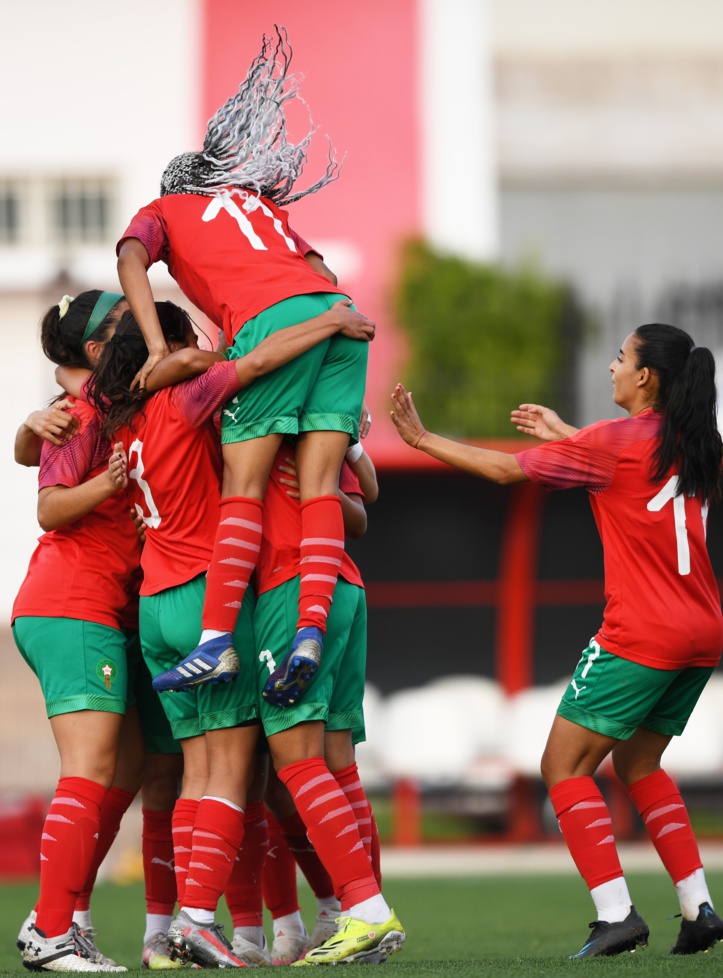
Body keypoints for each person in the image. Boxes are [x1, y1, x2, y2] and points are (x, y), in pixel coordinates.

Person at [390, 323, 723, 958]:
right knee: (638, 763)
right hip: (702, 632)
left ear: (646, 377)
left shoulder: (615, 442)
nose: (612, 368)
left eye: (621, 358)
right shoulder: (697, 443)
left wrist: (420, 437)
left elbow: (500, 470)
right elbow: (635, 472)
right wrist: (571, 435)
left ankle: (616, 914)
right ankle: (698, 907)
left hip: (642, 632)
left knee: (562, 767)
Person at [87, 298, 375, 968]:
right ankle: (201, 921)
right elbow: (261, 360)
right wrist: (329, 323)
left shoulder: (120, 422)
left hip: (155, 603)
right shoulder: (184, 402)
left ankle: (184, 934)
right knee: (237, 774)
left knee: (198, 775)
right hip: (202, 597)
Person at [116, 25, 368, 709]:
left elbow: (130, 258)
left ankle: (217, 639)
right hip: (340, 316)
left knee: (243, 489)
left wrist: (160, 346)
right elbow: (322, 271)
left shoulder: (163, 208)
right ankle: (309, 632)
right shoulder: (257, 204)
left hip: (273, 320)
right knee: (320, 484)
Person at [14, 291, 184, 972]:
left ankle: (66, 916)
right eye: (123, 322)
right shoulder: (82, 414)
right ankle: (50, 930)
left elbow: (35, 442)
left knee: (132, 767)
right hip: (71, 601)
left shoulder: (108, 405)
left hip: (101, 606)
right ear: (95, 350)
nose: (141, 326)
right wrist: (110, 485)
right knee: (88, 769)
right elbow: (50, 508)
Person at [246, 436, 402, 965]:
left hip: (292, 585)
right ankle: (358, 915)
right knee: (336, 767)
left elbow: (358, 512)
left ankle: (361, 909)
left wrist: (319, 490)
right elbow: (361, 509)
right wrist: (333, 480)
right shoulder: (323, 421)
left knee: (285, 768)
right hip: (341, 585)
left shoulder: (251, 406)